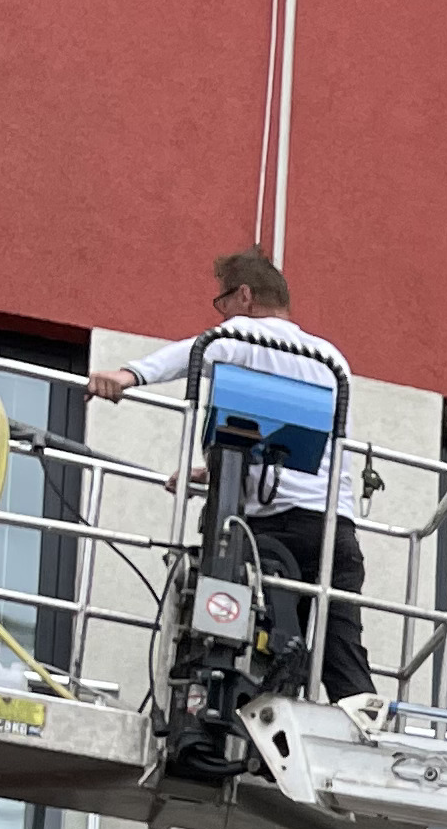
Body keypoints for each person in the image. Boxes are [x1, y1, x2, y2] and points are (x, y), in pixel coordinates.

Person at [92, 252, 373, 702]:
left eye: (221, 302)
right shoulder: (330, 358)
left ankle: (231, 715)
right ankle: (365, 732)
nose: (218, 314)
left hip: (270, 531)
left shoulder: (241, 335)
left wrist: (129, 375)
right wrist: (218, 470)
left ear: (244, 295)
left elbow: (194, 352)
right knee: (340, 651)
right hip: (332, 529)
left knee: (241, 639)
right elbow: (307, 439)